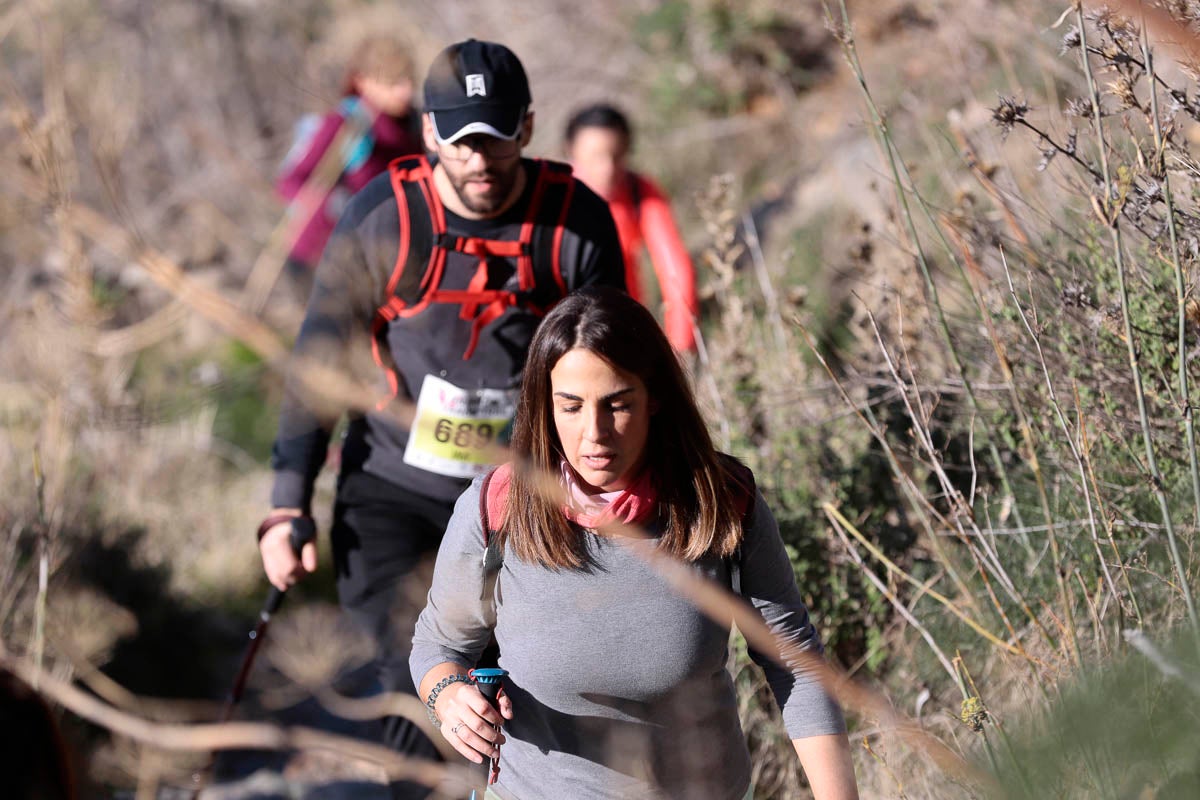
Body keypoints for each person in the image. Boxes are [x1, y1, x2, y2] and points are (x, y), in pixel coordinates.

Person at [258, 39, 625, 798]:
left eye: (494, 138)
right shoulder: (382, 219)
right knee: (419, 686)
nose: (480, 159)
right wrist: (287, 501)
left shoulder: (574, 225)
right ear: (428, 135)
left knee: (531, 694)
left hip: (523, 498)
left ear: (526, 127)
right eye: (460, 141)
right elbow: (318, 362)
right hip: (394, 488)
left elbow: (619, 377)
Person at [410, 287, 859, 800]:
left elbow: (795, 663)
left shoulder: (721, 503)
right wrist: (447, 697)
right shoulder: (499, 506)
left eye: (617, 405)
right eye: (571, 407)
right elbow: (438, 646)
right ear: (543, 405)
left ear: (656, 399)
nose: (593, 434)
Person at [276, 35, 423, 278]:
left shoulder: (416, 127)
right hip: (324, 260)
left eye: (409, 80)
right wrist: (335, 203)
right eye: (393, 82)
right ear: (362, 81)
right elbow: (290, 182)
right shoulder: (345, 125)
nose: (405, 91)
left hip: (387, 255)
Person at [565, 103, 699, 353]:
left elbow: (676, 271)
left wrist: (681, 346)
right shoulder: (553, 195)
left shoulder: (640, 192)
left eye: (617, 156)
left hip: (624, 331)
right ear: (572, 152)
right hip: (562, 336)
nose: (608, 168)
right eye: (596, 156)